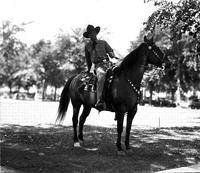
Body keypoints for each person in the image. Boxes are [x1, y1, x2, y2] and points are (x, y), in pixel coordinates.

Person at [83, 24, 118, 110]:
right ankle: (99, 100)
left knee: (119, 73)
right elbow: (88, 60)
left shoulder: (103, 42)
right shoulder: (87, 46)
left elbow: (110, 52)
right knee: (101, 77)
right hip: (98, 66)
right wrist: (88, 69)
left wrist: (113, 55)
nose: (92, 35)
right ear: (89, 36)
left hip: (108, 63)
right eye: (90, 34)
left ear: (96, 33)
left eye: (93, 33)